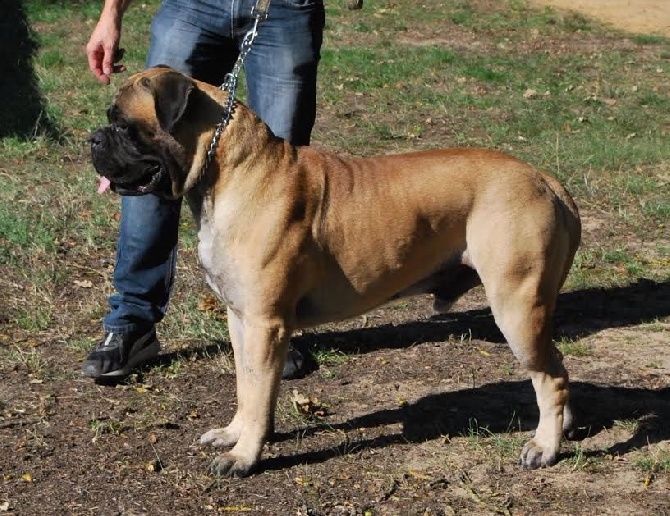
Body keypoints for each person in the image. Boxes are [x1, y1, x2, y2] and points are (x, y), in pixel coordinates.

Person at [82, 0, 324, 380]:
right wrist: (111, 13)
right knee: (150, 154)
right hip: (192, 6)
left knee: (280, 182)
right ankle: (132, 322)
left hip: (284, 8)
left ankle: (274, 318)